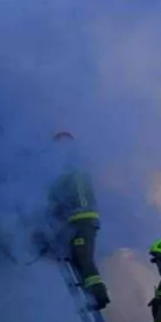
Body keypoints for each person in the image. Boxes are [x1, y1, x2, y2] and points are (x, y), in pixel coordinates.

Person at [49, 131, 110, 310]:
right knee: (77, 258)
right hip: (80, 222)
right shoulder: (75, 168)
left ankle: (99, 296)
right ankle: (91, 295)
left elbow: (65, 196)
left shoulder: (72, 171)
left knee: (84, 259)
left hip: (81, 221)